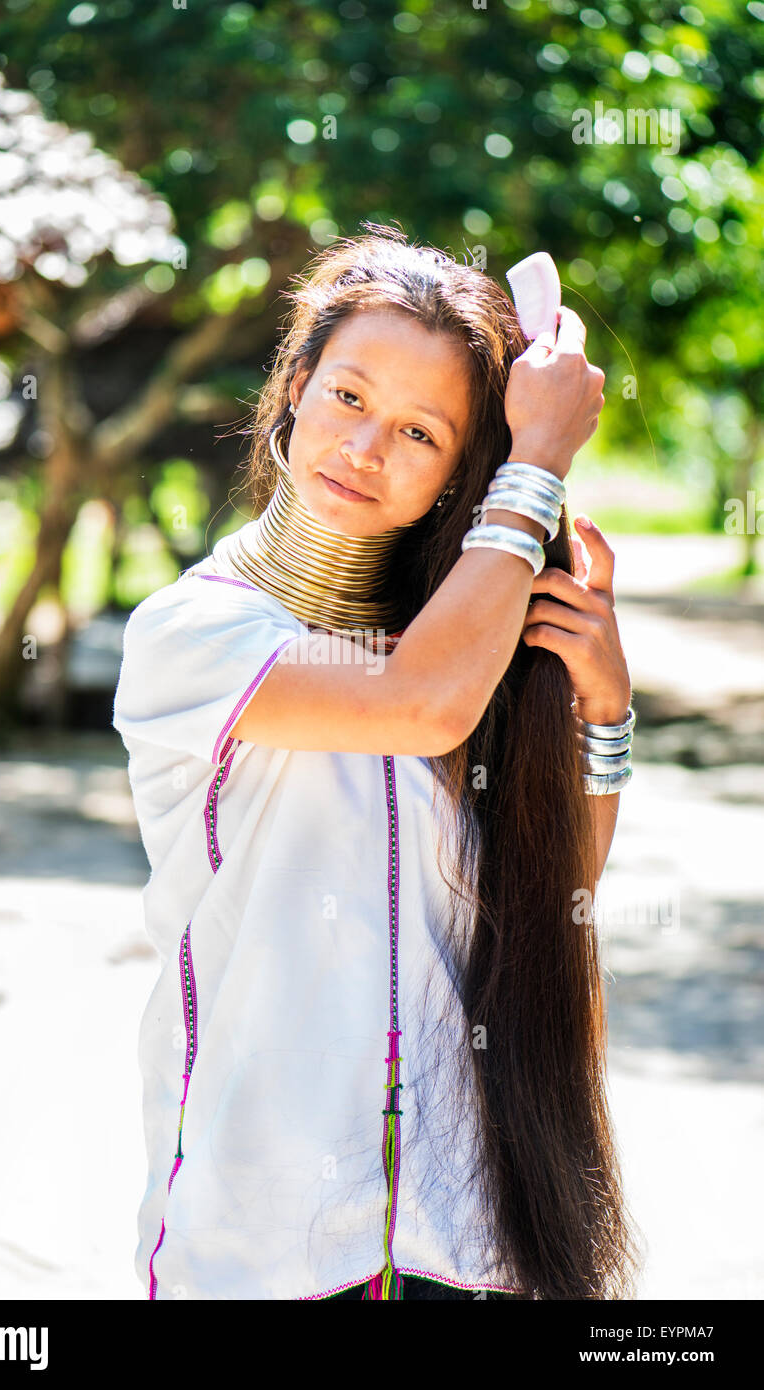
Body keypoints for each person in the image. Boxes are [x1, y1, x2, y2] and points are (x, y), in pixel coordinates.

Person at [112, 223, 642, 1301]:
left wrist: (605, 707)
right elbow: (418, 708)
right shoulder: (196, 634)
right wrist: (537, 463)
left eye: (420, 432)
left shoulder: (463, 637)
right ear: (296, 385)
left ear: (457, 475)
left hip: (468, 1232)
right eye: (350, 398)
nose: (365, 447)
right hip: (257, 1243)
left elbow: (552, 888)